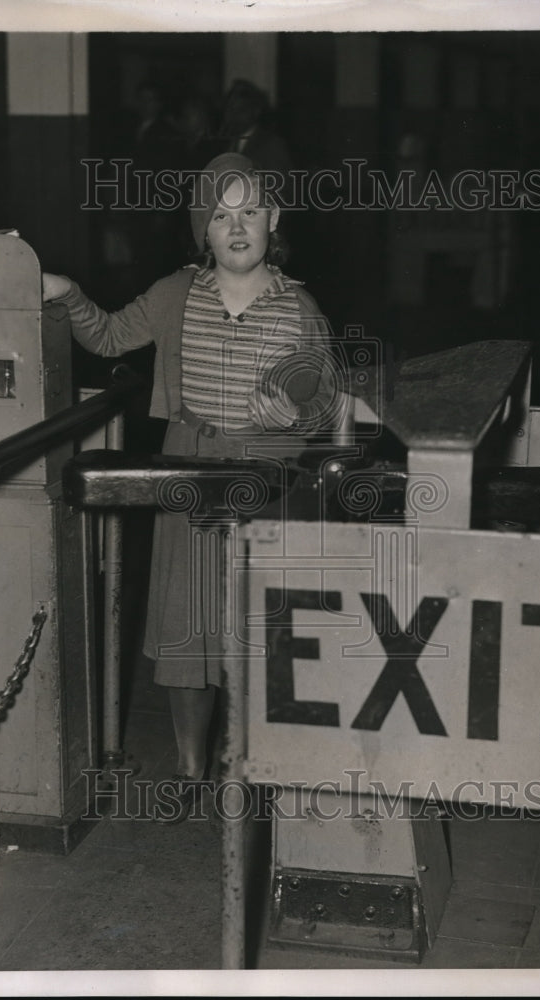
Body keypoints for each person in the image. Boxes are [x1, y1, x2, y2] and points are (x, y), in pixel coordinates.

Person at [42, 152, 332, 821]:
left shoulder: (298, 306)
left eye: (250, 212)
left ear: (273, 219)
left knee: (260, 622)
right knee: (186, 621)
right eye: (221, 216)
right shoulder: (177, 293)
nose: (237, 228)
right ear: (203, 229)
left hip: (266, 476)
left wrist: (293, 415)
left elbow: (323, 398)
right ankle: (190, 765)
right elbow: (108, 335)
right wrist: (66, 291)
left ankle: (257, 767)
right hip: (189, 471)